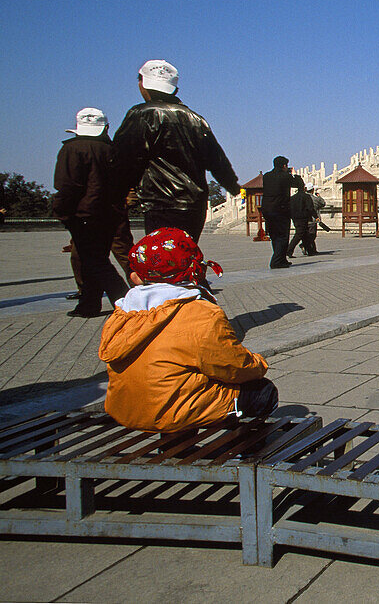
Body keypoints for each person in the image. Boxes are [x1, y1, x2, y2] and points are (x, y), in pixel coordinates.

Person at [100, 228, 277, 432]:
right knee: (262, 391)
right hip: (171, 413)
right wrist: (258, 364)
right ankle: (245, 453)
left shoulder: (123, 311)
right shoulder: (200, 312)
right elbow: (234, 367)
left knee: (182, 378)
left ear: (136, 278)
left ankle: (175, 446)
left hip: (124, 409)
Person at [112, 60, 240, 241]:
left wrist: (116, 193)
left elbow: (123, 159)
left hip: (162, 202)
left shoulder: (143, 114)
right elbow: (217, 162)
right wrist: (234, 188)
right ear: (175, 90)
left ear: (142, 83)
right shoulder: (196, 119)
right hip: (195, 205)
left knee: (164, 261)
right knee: (185, 258)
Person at [52, 108, 129, 317]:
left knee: (95, 261)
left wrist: (62, 212)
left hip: (83, 215)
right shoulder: (113, 150)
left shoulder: (72, 149)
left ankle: (124, 300)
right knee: (95, 259)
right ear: (105, 128)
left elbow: (67, 185)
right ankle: (89, 304)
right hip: (110, 214)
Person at [261, 156, 304, 269]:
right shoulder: (285, 176)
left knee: (275, 235)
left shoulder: (266, 176)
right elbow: (299, 184)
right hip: (280, 209)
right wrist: (294, 174)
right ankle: (276, 261)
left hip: (267, 209)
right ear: (284, 165)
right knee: (282, 236)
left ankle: (282, 259)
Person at [287, 183, 318, 257]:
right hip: (303, 218)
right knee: (298, 235)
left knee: (305, 234)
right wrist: (315, 216)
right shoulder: (306, 197)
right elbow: (310, 208)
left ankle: (310, 251)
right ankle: (289, 250)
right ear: (304, 189)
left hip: (295, 218)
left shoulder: (292, 198)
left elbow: (289, 208)